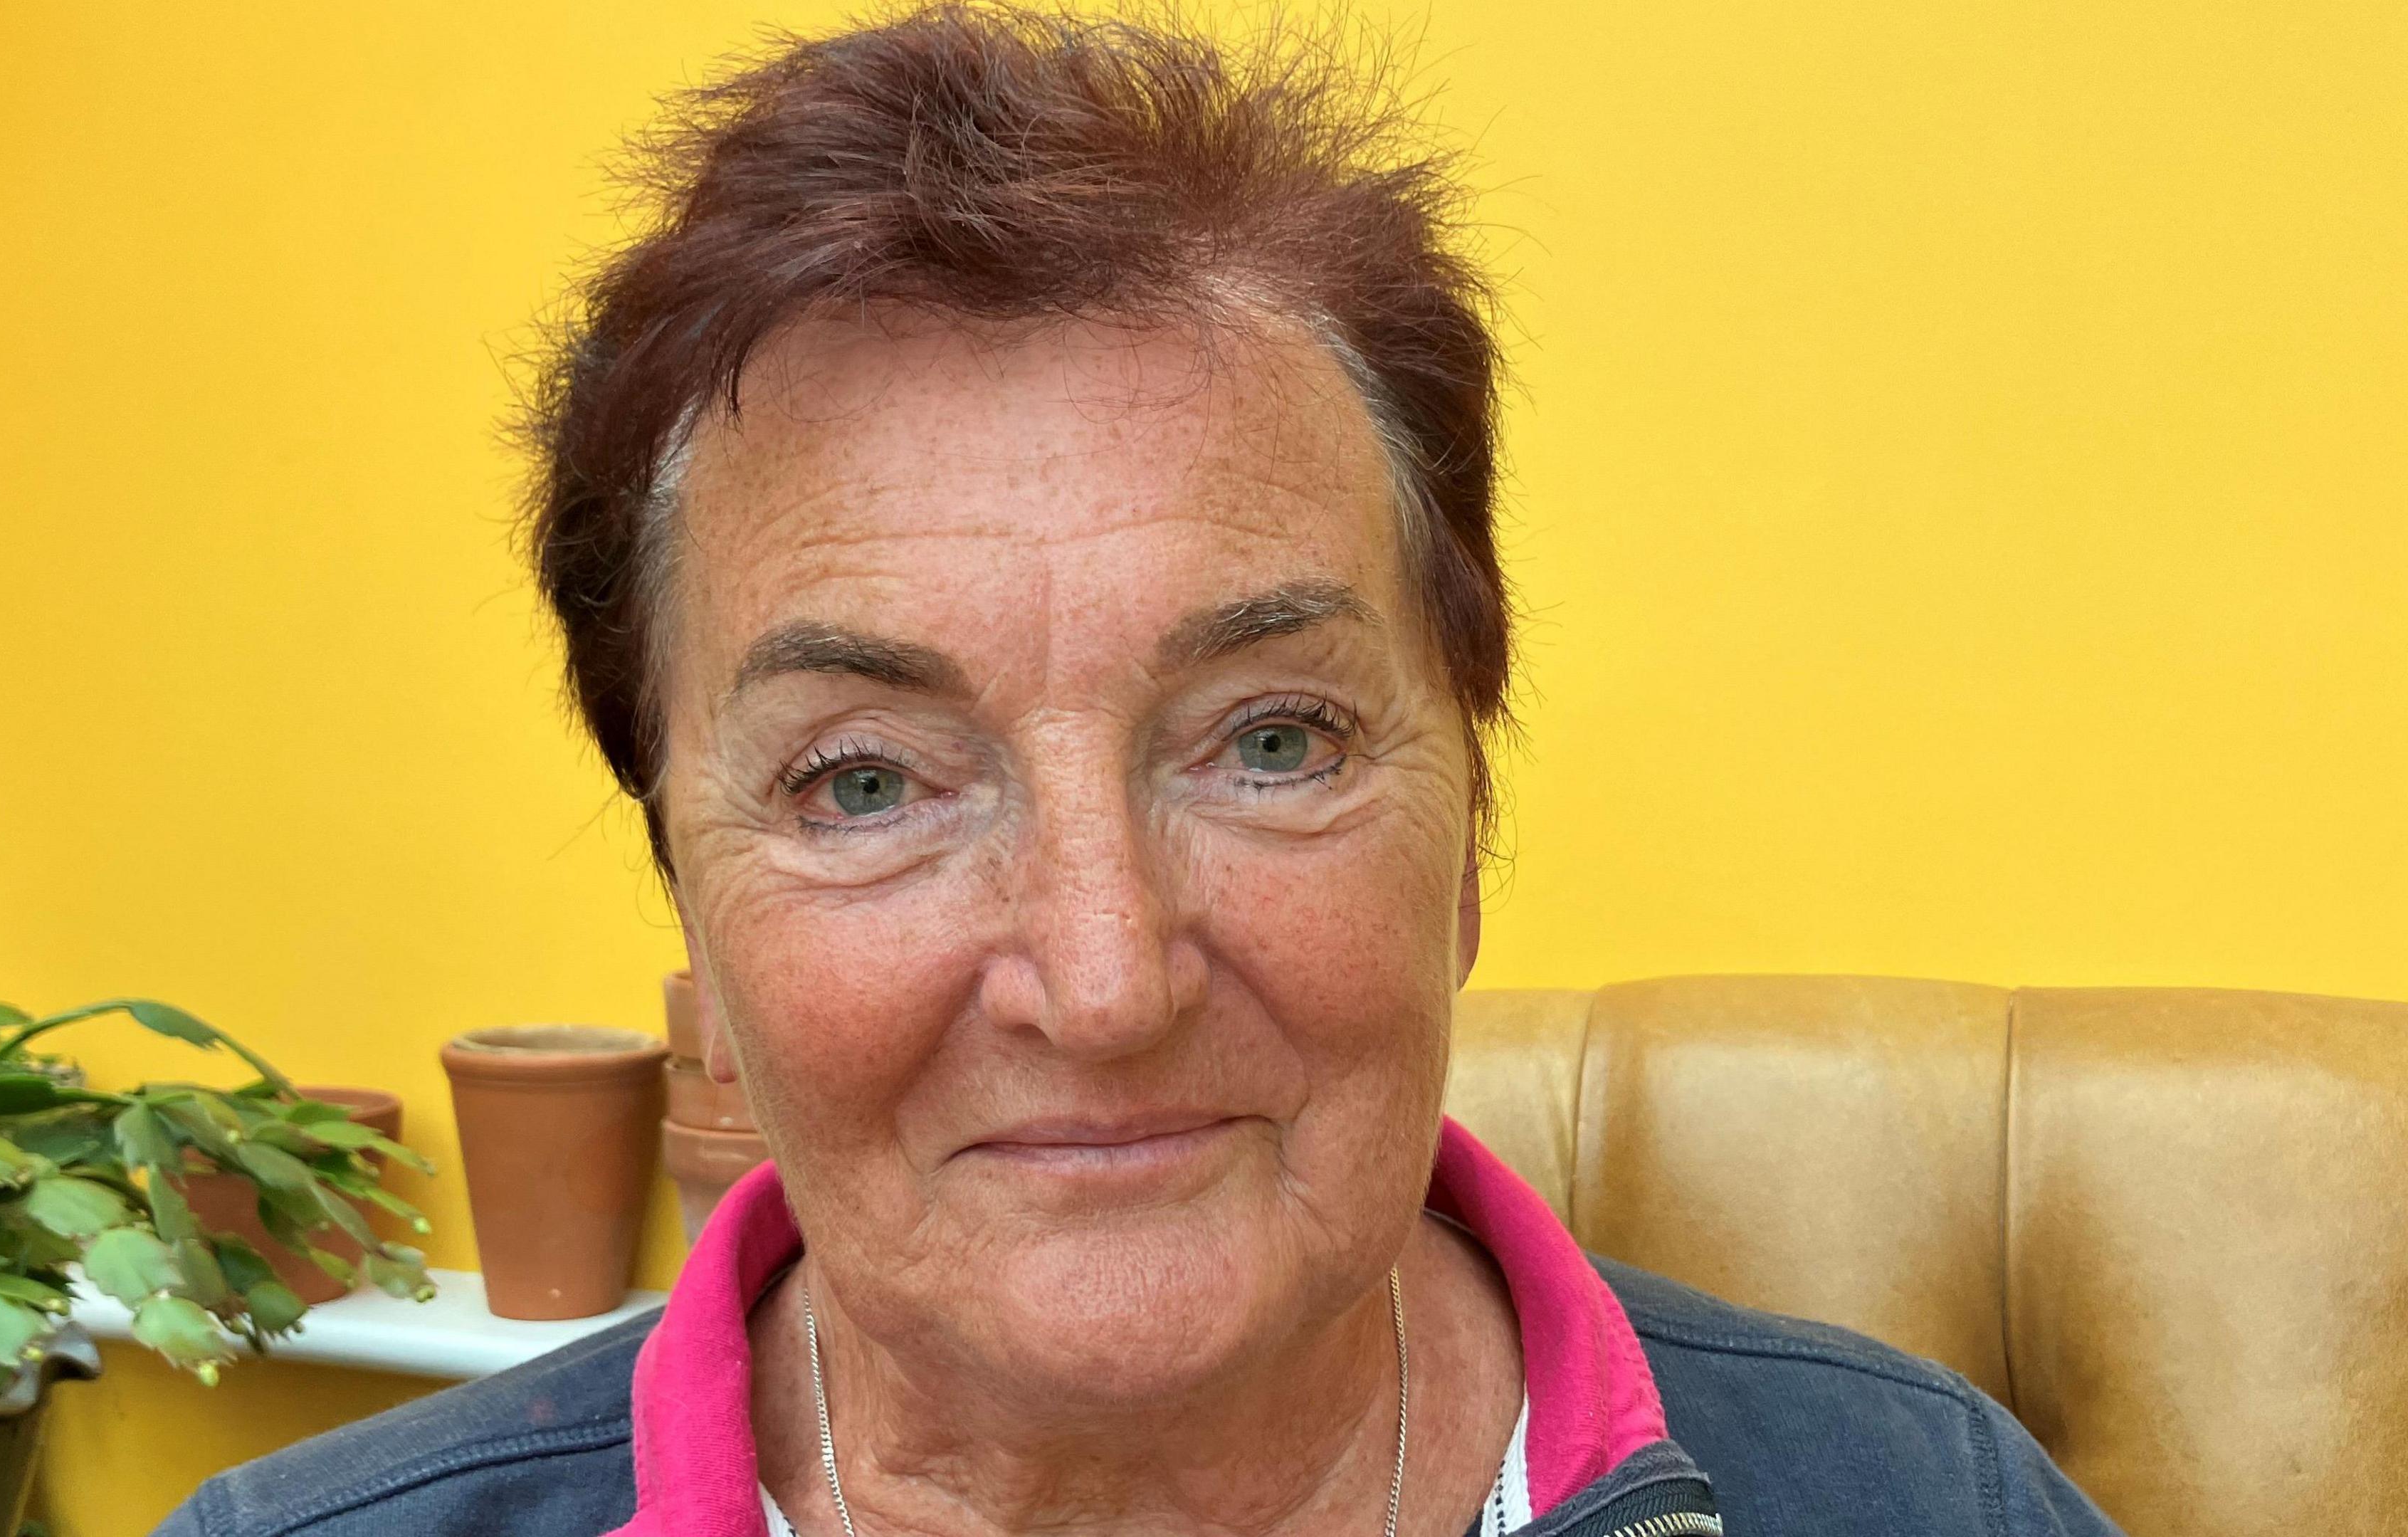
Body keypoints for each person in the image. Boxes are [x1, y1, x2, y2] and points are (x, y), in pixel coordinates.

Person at [159, 6, 2121, 1534]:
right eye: (867, 786)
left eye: (1272, 741)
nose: (1102, 985)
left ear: (1468, 836)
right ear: (692, 905)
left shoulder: (1931, 1502)